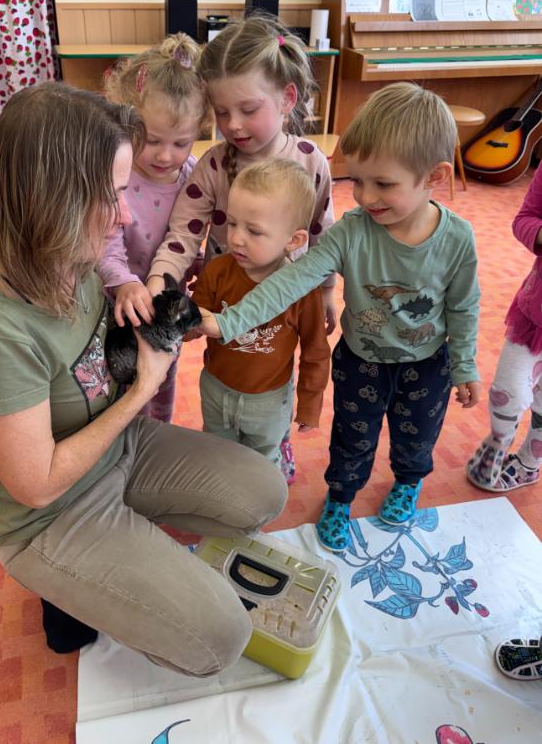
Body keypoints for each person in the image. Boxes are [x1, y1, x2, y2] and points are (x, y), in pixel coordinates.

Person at [0, 82, 287, 674]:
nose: (125, 216)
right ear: (47, 199)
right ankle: (66, 574)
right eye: (109, 196)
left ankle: (122, 541)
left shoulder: (69, 256)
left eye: (123, 192)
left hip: (118, 447)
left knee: (264, 493)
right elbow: (35, 486)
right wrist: (142, 391)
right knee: (220, 639)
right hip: (50, 511)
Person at [197, 82, 481, 552]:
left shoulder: (457, 239)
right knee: (352, 437)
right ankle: (341, 498)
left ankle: (408, 482)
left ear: (434, 176)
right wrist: (228, 322)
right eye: (358, 180)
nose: (364, 196)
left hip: (428, 365)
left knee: (417, 438)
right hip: (361, 361)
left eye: (383, 184)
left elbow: (464, 306)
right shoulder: (352, 233)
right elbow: (292, 280)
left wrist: (466, 364)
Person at [146, 14, 337, 481]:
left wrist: (328, 291)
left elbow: (323, 237)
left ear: (287, 98)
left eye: (248, 109)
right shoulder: (214, 165)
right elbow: (183, 233)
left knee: (274, 370)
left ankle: (275, 439)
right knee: (229, 369)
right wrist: (159, 280)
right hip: (225, 298)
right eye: (221, 112)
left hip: (288, 303)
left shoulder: (311, 162)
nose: (232, 125)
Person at [191, 159, 331, 483]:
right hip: (216, 389)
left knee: (262, 465)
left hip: (269, 401)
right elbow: (196, 321)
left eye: (253, 231)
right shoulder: (217, 271)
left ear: (293, 240)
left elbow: (315, 352)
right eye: (233, 223)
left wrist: (310, 404)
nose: (236, 238)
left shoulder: (303, 291)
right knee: (218, 455)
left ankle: (261, 494)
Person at [98, 33, 210, 422]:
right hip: (118, 304)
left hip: (164, 307)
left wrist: (199, 264)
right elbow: (105, 246)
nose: (166, 155)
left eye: (181, 143)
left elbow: (188, 234)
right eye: (152, 140)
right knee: (120, 381)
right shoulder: (117, 177)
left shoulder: (193, 174)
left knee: (163, 373)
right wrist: (125, 284)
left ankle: (158, 433)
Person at [466, 162, 542, 492]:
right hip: (535, 314)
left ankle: (529, 463)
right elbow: (525, 218)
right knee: (507, 393)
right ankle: (498, 442)